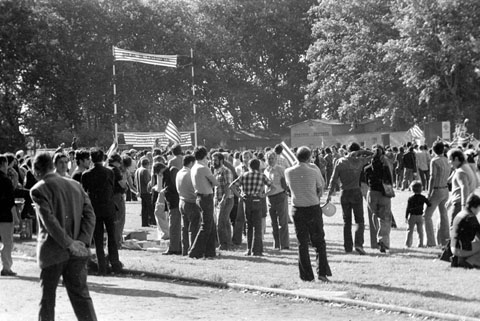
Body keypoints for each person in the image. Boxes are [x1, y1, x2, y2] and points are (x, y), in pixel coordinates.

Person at [30, 152, 97, 320]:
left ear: (37, 171)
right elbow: (90, 216)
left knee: (47, 300)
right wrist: (81, 241)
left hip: (53, 251)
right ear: (53, 166)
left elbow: (49, 222)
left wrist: (69, 244)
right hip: (77, 251)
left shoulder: (39, 189)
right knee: (81, 297)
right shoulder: (75, 185)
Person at [285, 146, 331, 282]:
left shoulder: (288, 171)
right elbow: (321, 186)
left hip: (297, 208)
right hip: (312, 207)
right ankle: (322, 272)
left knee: (302, 243)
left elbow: (288, 187)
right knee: (319, 242)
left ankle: (306, 275)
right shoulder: (313, 171)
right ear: (309, 157)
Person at [81, 148, 122, 275]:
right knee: (112, 238)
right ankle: (115, 264)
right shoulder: (110, 172)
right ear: (103, 158)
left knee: (98, 240)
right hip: (109, 207)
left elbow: (84, 192)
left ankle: (102, 267)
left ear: (92, 159)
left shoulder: (86, 174)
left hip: (95, 208)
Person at [327, 142, 372, 255]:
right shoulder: (359, 161)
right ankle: (358, 244)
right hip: (356, 191)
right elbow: (373, 154)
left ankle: (348, 247)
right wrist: (361, 151)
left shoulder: (340, 162)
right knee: (359, 220)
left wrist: (329, 194)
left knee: (346, 221)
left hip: (345, 192)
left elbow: (333, 179)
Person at [230, 158, 273, 256]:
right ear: (259, 166)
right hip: (257, 200)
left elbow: (232, 186)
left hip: (247, 200)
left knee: (249, 225)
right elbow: (272, 186)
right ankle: (257, 250)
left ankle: (249, 249)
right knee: (258, 227)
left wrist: (240, 195)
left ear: (249, 166)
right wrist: (264, 195)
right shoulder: (262, 176)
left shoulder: (244, 175)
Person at [188, 146, 219, 259]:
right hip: (206, 197)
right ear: (205, 155)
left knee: (209, 225)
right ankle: (195, 251)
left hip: (199, 196)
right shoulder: (203, 168)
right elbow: (215, 183)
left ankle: (210, 251)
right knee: (206, 226)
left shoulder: (194, 167)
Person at [364, 144, 394, 253]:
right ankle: (382, 240)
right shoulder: (385, 167)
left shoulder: (367, 169)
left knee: (374, 216)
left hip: (372, 193)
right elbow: (390, 180)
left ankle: (376, 238)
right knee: (385, 219)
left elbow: (367, 182)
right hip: (384, 194)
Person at [423, 141, 450, 247]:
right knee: (443, 216)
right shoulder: (447, 160)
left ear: (433, 150)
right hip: (445, 189)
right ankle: (444, 240)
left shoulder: (434, 161)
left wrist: (429, 192)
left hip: (437, 189)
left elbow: (432, 177)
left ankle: (430, 241)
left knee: (427, 215)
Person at [264, 151, 289, 250]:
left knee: (282, 222)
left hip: (280, 196)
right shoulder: (266, 171)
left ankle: (284, 244)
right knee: (273, 222)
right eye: (269, 158)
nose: (270, 160)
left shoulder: (281, 169)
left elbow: (287, 182)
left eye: (272, 158)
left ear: (276, 159)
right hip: (270, 198)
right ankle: (276, 244)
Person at [175, 155, 200, 255]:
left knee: (184, 227)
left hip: (181, 201)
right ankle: (192, 249)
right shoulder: (190, 174)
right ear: (191, 163)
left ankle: (185, 249)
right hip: (191, 202)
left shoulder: (179, 172)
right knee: (193, 227)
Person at [446, 149, 477, 226]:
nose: (449, 162)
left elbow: (464, 188)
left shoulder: (460, 172)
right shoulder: (466, 167)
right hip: (467, 203)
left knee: (454, 229)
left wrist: (463, 208)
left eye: (450, 160)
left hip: (459, 204)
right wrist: (450, 201)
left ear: (456, 159)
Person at [450, 193, 480, 268]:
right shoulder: (471, 217)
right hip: (461, 249)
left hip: (453, 247)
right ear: (475, 207)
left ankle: (459, 260)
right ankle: (469, 262)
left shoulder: (460, 213)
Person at [0, 155, 19, 276]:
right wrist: (16, 217)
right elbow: (10, 201)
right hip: (5, 215)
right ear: (3, 164)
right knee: (7, 243)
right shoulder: (6, 180)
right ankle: (6, 267)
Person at [212, 152, 234, 251]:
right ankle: (228, 243)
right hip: (218, 199)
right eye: (212, 160)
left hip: (227, 199)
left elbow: (228, 186)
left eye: (215, 160)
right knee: (225, 223)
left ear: (221, 160)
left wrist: (224, 199)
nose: (213, 162)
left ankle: (224, 245)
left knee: (220, 223)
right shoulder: (215, 171)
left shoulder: (226, 171)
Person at [232, 150, 253, 246]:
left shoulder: (253, 168)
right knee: (239, 218)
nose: (246, 159)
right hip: (242, 194)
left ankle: (251, 238)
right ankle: (237, 239)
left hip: (252, 195)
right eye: (244, 157)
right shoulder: (238, 169)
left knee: (251, 218)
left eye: (248, 157)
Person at [108, 153, 128, 248]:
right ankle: (117, 242)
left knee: (112, 221)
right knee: (119, 219)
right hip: (117, 196)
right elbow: (122, 184)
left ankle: (113, 241)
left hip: (109, 196)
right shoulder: (115, 170)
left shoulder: (107, 169)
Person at [405, 181, 431, 248]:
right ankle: (420, 244)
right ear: (421, 189)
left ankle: (408, 244)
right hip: (420, 216)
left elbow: (408, 208)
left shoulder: (411, 198)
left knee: (410, 231)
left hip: (412, 215)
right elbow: (429, 204)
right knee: (420, 231)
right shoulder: (422, 197)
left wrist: (406, 217)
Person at [135, 158, 154, 227]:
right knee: (150, 207)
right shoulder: (145, 170)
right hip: (146, 191)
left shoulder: (138, 170)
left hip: (141, 191)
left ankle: (144, 223)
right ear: (147, 164)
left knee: (144, 208)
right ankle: (153, 221)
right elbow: (147, 181)